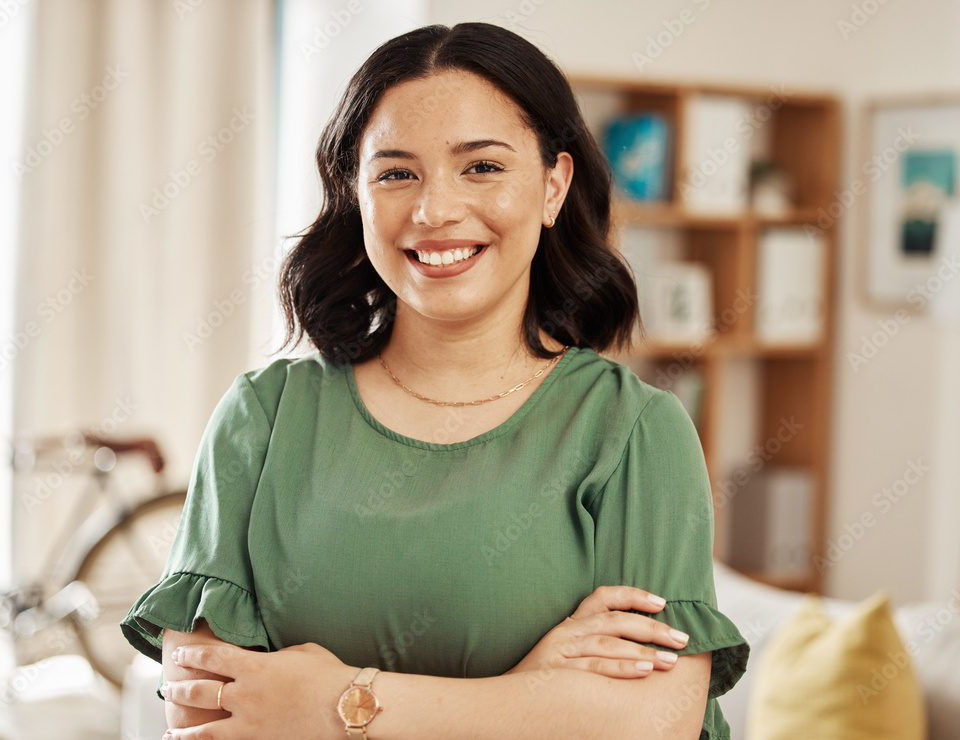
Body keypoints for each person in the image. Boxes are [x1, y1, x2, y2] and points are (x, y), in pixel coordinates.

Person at [122, 21, 748, 739]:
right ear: (354, 196)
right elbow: (207, 715)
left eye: (481, 167)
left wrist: (335, 704)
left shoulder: (632, 435)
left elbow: (650, 725)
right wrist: (533, 696)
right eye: (396, 173)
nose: (434, 210)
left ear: (553, 187)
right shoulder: (262, 420)